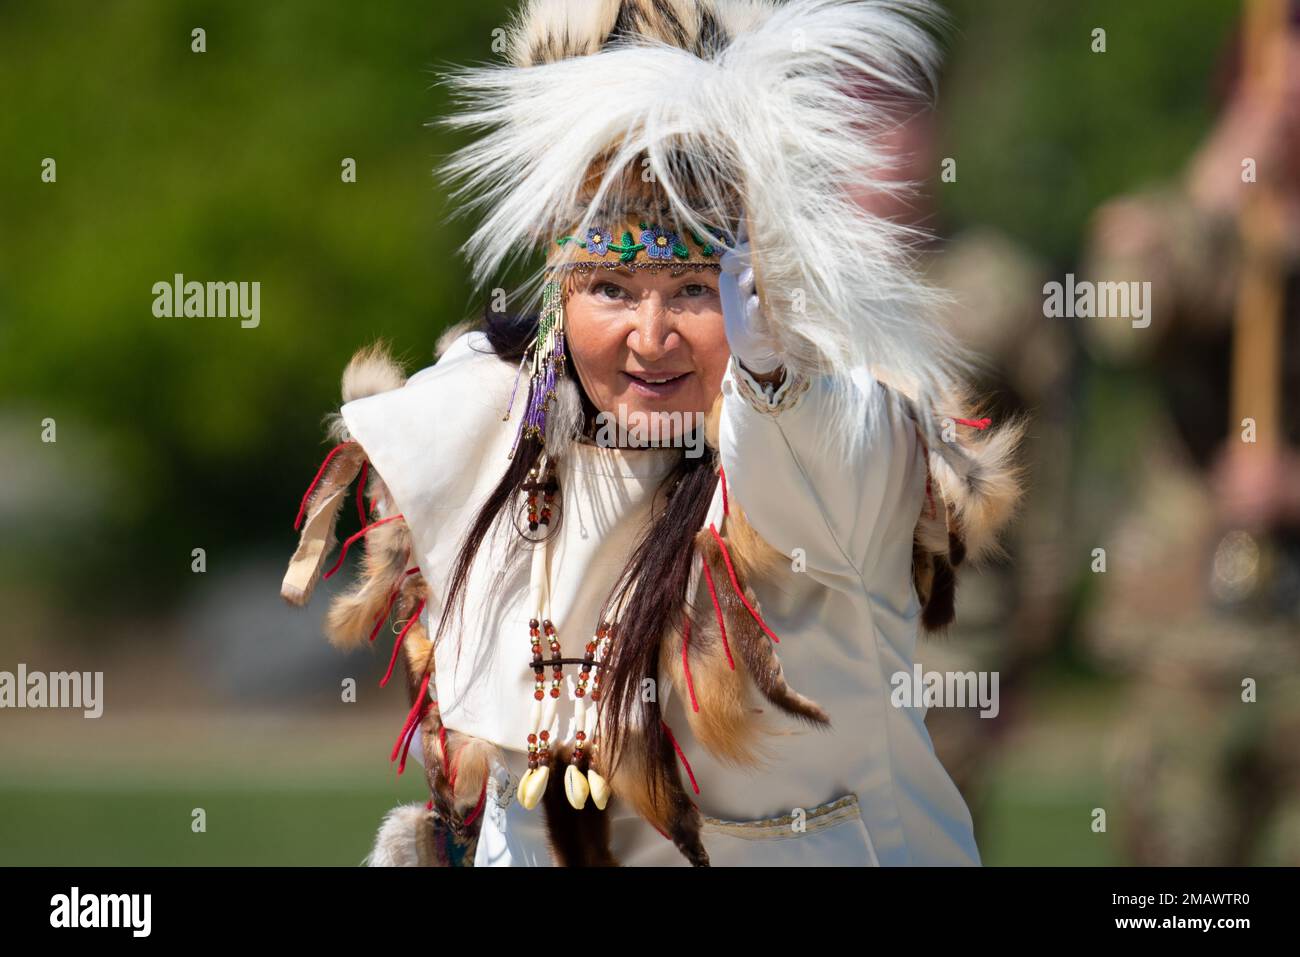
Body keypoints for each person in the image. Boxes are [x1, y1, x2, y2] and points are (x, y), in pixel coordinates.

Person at [282, 0, 1022, 867]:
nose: (652, 333)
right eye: (611, 288)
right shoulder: (495, 427)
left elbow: (817, 457)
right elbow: (513, 814)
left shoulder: (834, 419)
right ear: (560, 291)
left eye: (693, 290)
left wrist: (772, 378)